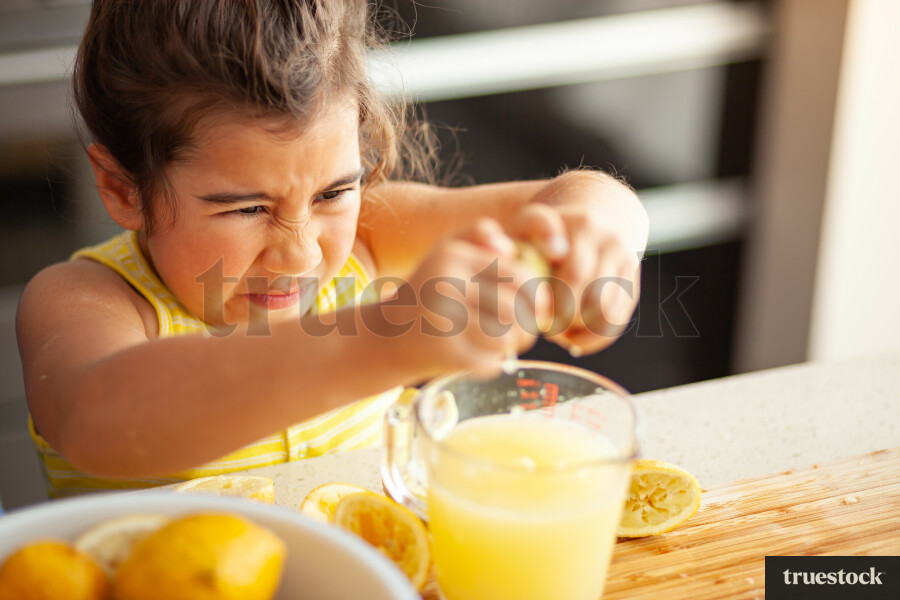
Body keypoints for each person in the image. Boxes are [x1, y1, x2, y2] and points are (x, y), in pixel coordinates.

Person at [16, 0, 649, 498]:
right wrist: (385, 340)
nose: (299, 255)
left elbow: (576, 194)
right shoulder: (87, 301)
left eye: (332, 192)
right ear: (123, 189)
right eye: (247, 208)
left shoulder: (371, 234)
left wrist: (598, 234)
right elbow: (98, 420)